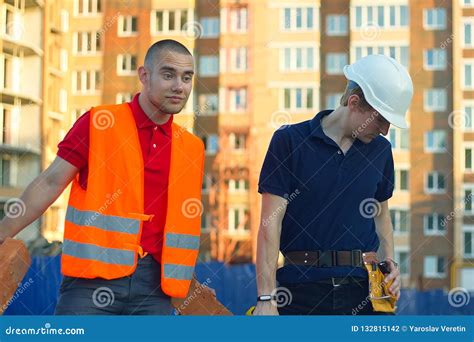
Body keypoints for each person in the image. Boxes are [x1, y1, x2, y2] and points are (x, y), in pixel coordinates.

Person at [0, 39, 204, 315]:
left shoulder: (192, 148)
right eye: (168, 75)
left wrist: (189, 284)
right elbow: (50, 182)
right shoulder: (99, 123)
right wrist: (3, 232)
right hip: (90, 284)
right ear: (144, 75)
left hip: (155, 292)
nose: (179, 86)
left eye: (187, 77)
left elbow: (176, 226)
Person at [253, 54, 413, 315]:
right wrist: (266, 297)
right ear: (354, 103)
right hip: (300, 292)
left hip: (364, 294)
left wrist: (390, 262)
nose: (385, 130)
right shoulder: (289, 142)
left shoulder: (381, 151)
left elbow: (381, 215)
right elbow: (270, 223)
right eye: (381, 119)